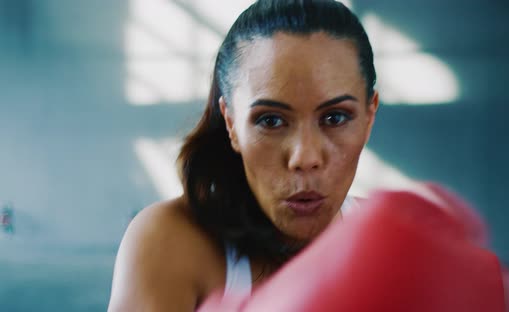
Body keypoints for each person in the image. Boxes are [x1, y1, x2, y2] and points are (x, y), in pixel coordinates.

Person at [109, 1, 486, 311]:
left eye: (336, 117)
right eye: (270, 120)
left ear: (369, 117)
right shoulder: (170, 240)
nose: (305, 158)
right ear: (231, 123)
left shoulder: (397, 254)